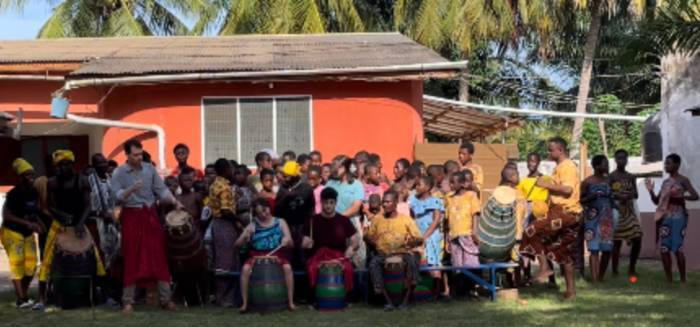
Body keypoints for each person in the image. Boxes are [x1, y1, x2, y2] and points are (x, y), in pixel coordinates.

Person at [111, 140, 178, 313]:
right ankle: (127, 302)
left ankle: (166, 299)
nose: (139, 157)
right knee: (132, 257)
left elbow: (161, 190)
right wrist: (130, 190)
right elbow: (116, 197)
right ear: (126, 155)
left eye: (140, 154)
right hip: (131, 217)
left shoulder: (149, 169)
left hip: (150, 215)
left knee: (158, 256)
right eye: (135, 155)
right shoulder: (119, 173)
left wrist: (175, 202)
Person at [38, 149, 106, 309]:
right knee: (47, 259)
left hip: (79, 223)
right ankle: (41, 298)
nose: (60, 169)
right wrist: (58, 215)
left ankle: (100, 294)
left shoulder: (83, 181)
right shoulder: (52, 182)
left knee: (95, 258)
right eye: (58, 165)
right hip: (58, 225)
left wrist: (80, 223)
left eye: (64, 165)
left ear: (71, 164)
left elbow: (88, 205)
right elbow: (47, 206)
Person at [521, 137, 582, 300]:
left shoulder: (567, 166)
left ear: (560, 150)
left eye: (550, 149)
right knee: (565, 254)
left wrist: (547, 185)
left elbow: (568, 190)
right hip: (569, 214)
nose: (548, 152)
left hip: (564, 212)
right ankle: (571, 292)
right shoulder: (559, 167)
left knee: (530, 231)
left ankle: (544, 268)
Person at [365, 190, 423, 311]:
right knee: (374, 263)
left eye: (388, 202)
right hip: (383, 254)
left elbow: (419, 238)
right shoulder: (377, 219)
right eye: (383, 202)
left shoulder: (405, 219)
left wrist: (412, 242)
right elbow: (368, 236)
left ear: (395, 203)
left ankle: (406, 301)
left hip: (402, 253)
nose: (384, 205)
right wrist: (369, 239)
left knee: (412, 261)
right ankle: (388, 301)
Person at [646, 154, 699, 283]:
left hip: (679, 218)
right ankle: (669, 279)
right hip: (665, 218)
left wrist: (681, 198)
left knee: (677, 248)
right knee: (664, 249)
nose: (666, 166)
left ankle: (682, 280)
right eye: (665, 163)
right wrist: (651, 191)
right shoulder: (665, 182)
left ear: (677, 165)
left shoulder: (683, 180)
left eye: (668, 163)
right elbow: (657, 201)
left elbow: (695, 196)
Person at [236, 198, 295, 312]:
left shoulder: (281, 222)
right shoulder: (252, 225)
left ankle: (290, 302)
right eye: (259, 213)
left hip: (277, 255)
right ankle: (245, 303)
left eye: (264, 210)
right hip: (256, 256)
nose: (263, 214)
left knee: (287, 268)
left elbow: (291, 244)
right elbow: (236, 245)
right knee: (245, 269)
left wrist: (287, 240)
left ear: (269, 207)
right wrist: (245, 236)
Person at [302, 188, 359, 296]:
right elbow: (302, 241)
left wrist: (352, 247)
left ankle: (346, 296)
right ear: (321, 202)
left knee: (348, 268)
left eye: (331, 203)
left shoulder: (343, 220)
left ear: (335, 203)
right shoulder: (312, 221)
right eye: (325, 202)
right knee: (312, 268)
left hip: (339, 257)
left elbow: (355, 239)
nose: (328, 206)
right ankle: (315, 297)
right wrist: (305, 243)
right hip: (318, 257)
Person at [1, 158, 42, 308]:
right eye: (28, 175)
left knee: (31, 267)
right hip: (12, 232)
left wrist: (39, 223)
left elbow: (35, 211)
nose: (32, 178)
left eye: (33, 175)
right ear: (21, 177)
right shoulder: (14, 194)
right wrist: (28, 223)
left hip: (28, 233)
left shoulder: (34, 192)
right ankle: (21, 299)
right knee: (17, 266)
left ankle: (22, 294)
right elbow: (7, 215)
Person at [85, 153, 121, 306]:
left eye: (105, 162)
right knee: (99, 261)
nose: (104, 165)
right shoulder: (88, 181)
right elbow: (85, 207)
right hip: (96, 226)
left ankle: (114, 294)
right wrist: (100, 213)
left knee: (113, 260)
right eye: (99, 163)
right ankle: (103, 295)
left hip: (111, 225)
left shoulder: (110, 180)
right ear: (93, 165)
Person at [208, 158, 241, 307]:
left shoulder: (215, 184)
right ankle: (225, 298)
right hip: (225, 224)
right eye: (231, 168)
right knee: (227, 261)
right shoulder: (225, 187)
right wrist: (239, 220)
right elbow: (226, 210)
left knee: (221, 259)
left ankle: (223, 296)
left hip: (217, 224)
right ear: (226, 170)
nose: (233, 171)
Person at [581, 155, 617, 282]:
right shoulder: (587, 182)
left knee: (607, 250)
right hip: (592, 219)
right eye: (604, 164)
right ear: (596, 166)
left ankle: (601, 276)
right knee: (594, 249)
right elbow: (580, 200)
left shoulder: (609, 181)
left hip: (607, 219)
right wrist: (590, 197)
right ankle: (595, 279)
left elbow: (614, 199)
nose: (607, 166)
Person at [274, 161, 316, 268]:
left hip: (302, 228)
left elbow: (310, 210)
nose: (283, 178)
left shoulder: (306, 188)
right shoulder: (283, 188)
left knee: (303, 258)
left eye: (286, 176)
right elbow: (276, 209)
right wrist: (286, 197)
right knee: (287, 259)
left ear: (295, 176)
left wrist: (308, 233)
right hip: (286, 228)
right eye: (283, 175)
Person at [325, 156, 365, 268]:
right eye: (334, 167)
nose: (335, 170)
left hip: (351, 224)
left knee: (354, 257)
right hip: (332, 224)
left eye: (339, 167)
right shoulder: (330, 183)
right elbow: (325, 202)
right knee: (335, 257)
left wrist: (339, 217)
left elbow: (356, 207)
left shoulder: (356, 185)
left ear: (346, 167)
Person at [408, 176, 445, 297]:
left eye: (419, 185)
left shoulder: (435, 201)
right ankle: (418, 290)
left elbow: (436, 221)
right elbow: (412, 218)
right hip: (417, 235)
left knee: (433, 261)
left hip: (431, 236)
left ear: (428, 187)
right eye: (416, 185)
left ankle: (437, 291)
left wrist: (425, 237)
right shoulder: (413, 200)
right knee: (417, 261)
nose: (416, 187)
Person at [609, 149, 643, 277]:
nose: (622, 160)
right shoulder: (611, 177)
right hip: (617, 211)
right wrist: (618, 196)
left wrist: (629, 195)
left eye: (624, 158)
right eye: (619, 158)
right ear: (616, 160)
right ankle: (614, 270)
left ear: (627, 160)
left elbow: (636, 195)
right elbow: (608, 194)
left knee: (638, 238)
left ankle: (632, 268)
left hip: (629, 212)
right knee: (617, 242)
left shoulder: (631, 177)